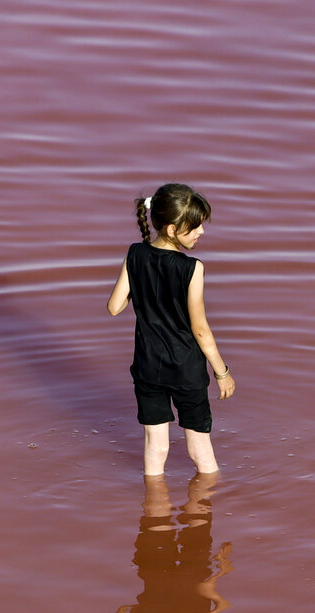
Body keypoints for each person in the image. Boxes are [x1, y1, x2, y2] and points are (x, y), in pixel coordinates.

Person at [107, 183, 235, 475]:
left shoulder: (134, 254)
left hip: (148, 366)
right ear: (172, 229)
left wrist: (142, 281)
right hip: (186, 370)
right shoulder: (193, 268)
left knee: (156, 447)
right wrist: (222, 373)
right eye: (195, 227)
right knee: (199, 449)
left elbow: (114, 307)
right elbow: (200, 329)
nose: (201, 232)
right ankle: (207, 510)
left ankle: (154, 514)